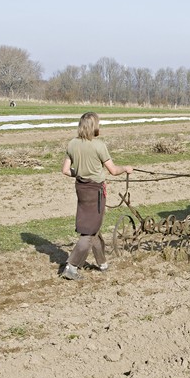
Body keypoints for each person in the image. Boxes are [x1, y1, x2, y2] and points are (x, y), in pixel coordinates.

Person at [61, 112, 133, 281]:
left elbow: (65, 170)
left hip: (81, 189)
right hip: (96, 192)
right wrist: (127, 168)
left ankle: (102, 263)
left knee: (94, 226)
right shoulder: (99, 145)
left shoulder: (72, 144)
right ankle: (71, 267)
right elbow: (114, 171)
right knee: (88, 232)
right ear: (94, 126)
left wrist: (79, 172)